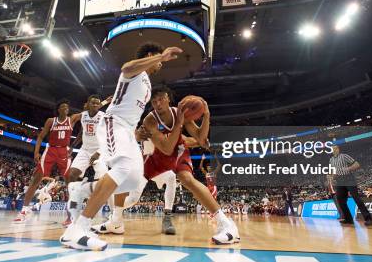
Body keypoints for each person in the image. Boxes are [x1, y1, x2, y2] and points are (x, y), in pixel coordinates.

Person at [60, 42, 182, 250]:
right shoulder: (134, 71)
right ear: (151, 55)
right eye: (158, 59)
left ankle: (81, 188)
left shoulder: (147, 83)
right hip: (113, 124)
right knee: (122, 166)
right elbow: (126, 67)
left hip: (127, 131)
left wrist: (134, 133)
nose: (161, 65)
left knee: (133, 180)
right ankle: (78, 229)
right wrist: (161, 56)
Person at [95, 88, 239, 244]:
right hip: (156, 156)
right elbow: (166, 148)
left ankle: (226, 223)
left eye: (161, 99)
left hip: (179, 152)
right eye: (154, 101)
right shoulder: (150, 120)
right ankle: (115, 221)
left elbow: (200, 138)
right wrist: (179, 121)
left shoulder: (178, 112)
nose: (157, 103)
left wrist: (206, 115)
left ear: (168, 99)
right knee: (125, 179)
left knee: (186, 179)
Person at [14, 101, 74, 223]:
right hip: (51, 149)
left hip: (64, 151)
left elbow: (90, 110)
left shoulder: (72, 119)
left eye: (67, 107)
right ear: (58, 109)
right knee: (36, 178)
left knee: (70, 184)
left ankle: (70, 216)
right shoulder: (51, 121)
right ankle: (24, 210)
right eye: (63, 106)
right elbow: (41, 136)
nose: (65, 108)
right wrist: (36, 152)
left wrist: (104, 102)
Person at [66, 95, 111, 222]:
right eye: (93, 103)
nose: (96, 105)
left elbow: (108, 137)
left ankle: (109, 212)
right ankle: (72, 210)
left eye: (98, 103)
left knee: (104, 182)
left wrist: (98, 152)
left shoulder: (103, 116)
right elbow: (82, 133)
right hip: (85, 150)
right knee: (71, 175)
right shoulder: (84, 115)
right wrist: (72, 146)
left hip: (99, 150)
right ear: (88, 104)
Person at [328, 146, 372, 226]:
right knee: (340, 200)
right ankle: (348, 219)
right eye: (332, 149)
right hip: (339, 180)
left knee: (356, 198)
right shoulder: (331, 160)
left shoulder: (344, 156)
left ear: (338, 149)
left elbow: (357, 164)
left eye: (335, 148)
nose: (334, 150)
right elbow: (334, 172)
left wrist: (348, 168)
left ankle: (368, 218)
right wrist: (332, 176)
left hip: (349, 178)